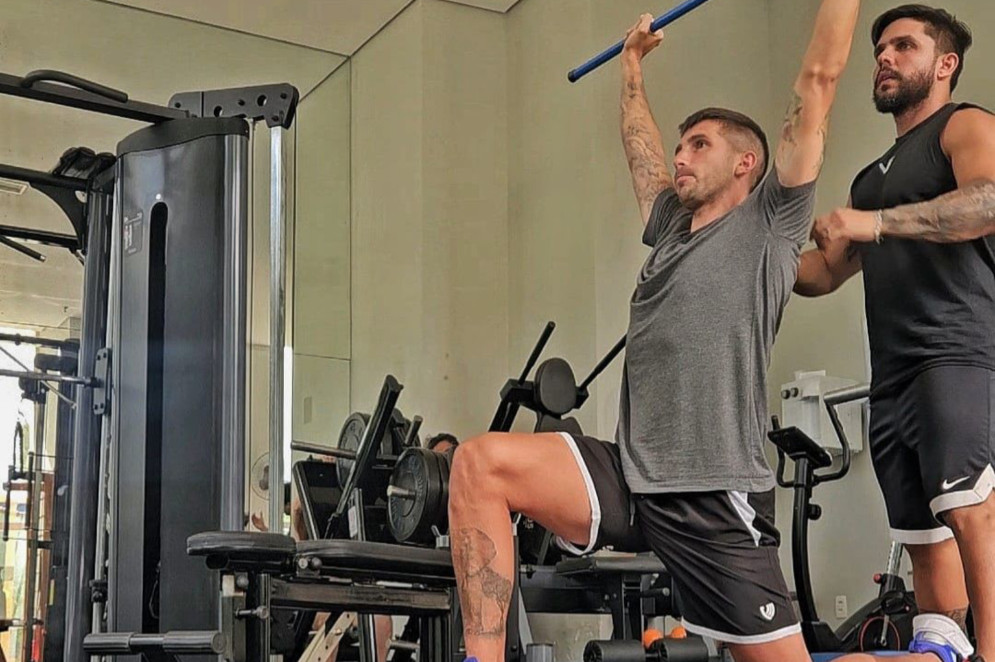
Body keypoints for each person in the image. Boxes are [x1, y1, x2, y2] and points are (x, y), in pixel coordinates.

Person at [447, 2, 860, 661]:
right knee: (479, 463)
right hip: (633, 477)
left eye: (699, 145)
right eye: (680, 144)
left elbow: (817, 80)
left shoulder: (770, 226)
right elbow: (640, 152)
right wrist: (630, 68)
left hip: (714, 494)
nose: (679, 156)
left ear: (747, 162)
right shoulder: (670, 229)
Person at [794, 5, 995, 661]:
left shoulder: (963, 124)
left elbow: (986, 202)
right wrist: (746, 253)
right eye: (879, 48)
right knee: (921, 537)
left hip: (957, 354)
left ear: (944, 64)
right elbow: (822, 274)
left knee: (972, 514)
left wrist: (873, 226)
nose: (882, 57)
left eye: (902, 46)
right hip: (892, 376)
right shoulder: (870, 178)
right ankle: (943, 645)